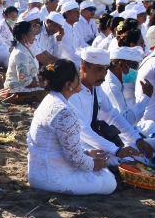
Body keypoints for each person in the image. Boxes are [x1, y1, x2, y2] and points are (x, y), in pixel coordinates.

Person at [26, 59, 117, 195]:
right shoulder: (64, 111)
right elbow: (75, 159)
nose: (80, 80)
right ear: (69, 84)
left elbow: (59, 146)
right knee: (109, 180)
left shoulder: (49, 99)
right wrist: (94, 164)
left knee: (102, 168)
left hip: (36, 174)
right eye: (77, 77)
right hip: (52, 179)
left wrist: (86, 153)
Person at [4, 21, 41, 93]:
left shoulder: (26, 48)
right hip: (17, 88)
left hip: (25, 85)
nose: (34, 35)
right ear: (24, 36)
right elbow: (24, 81)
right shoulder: (20, 54)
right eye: (31, 32)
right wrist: (43, 84)